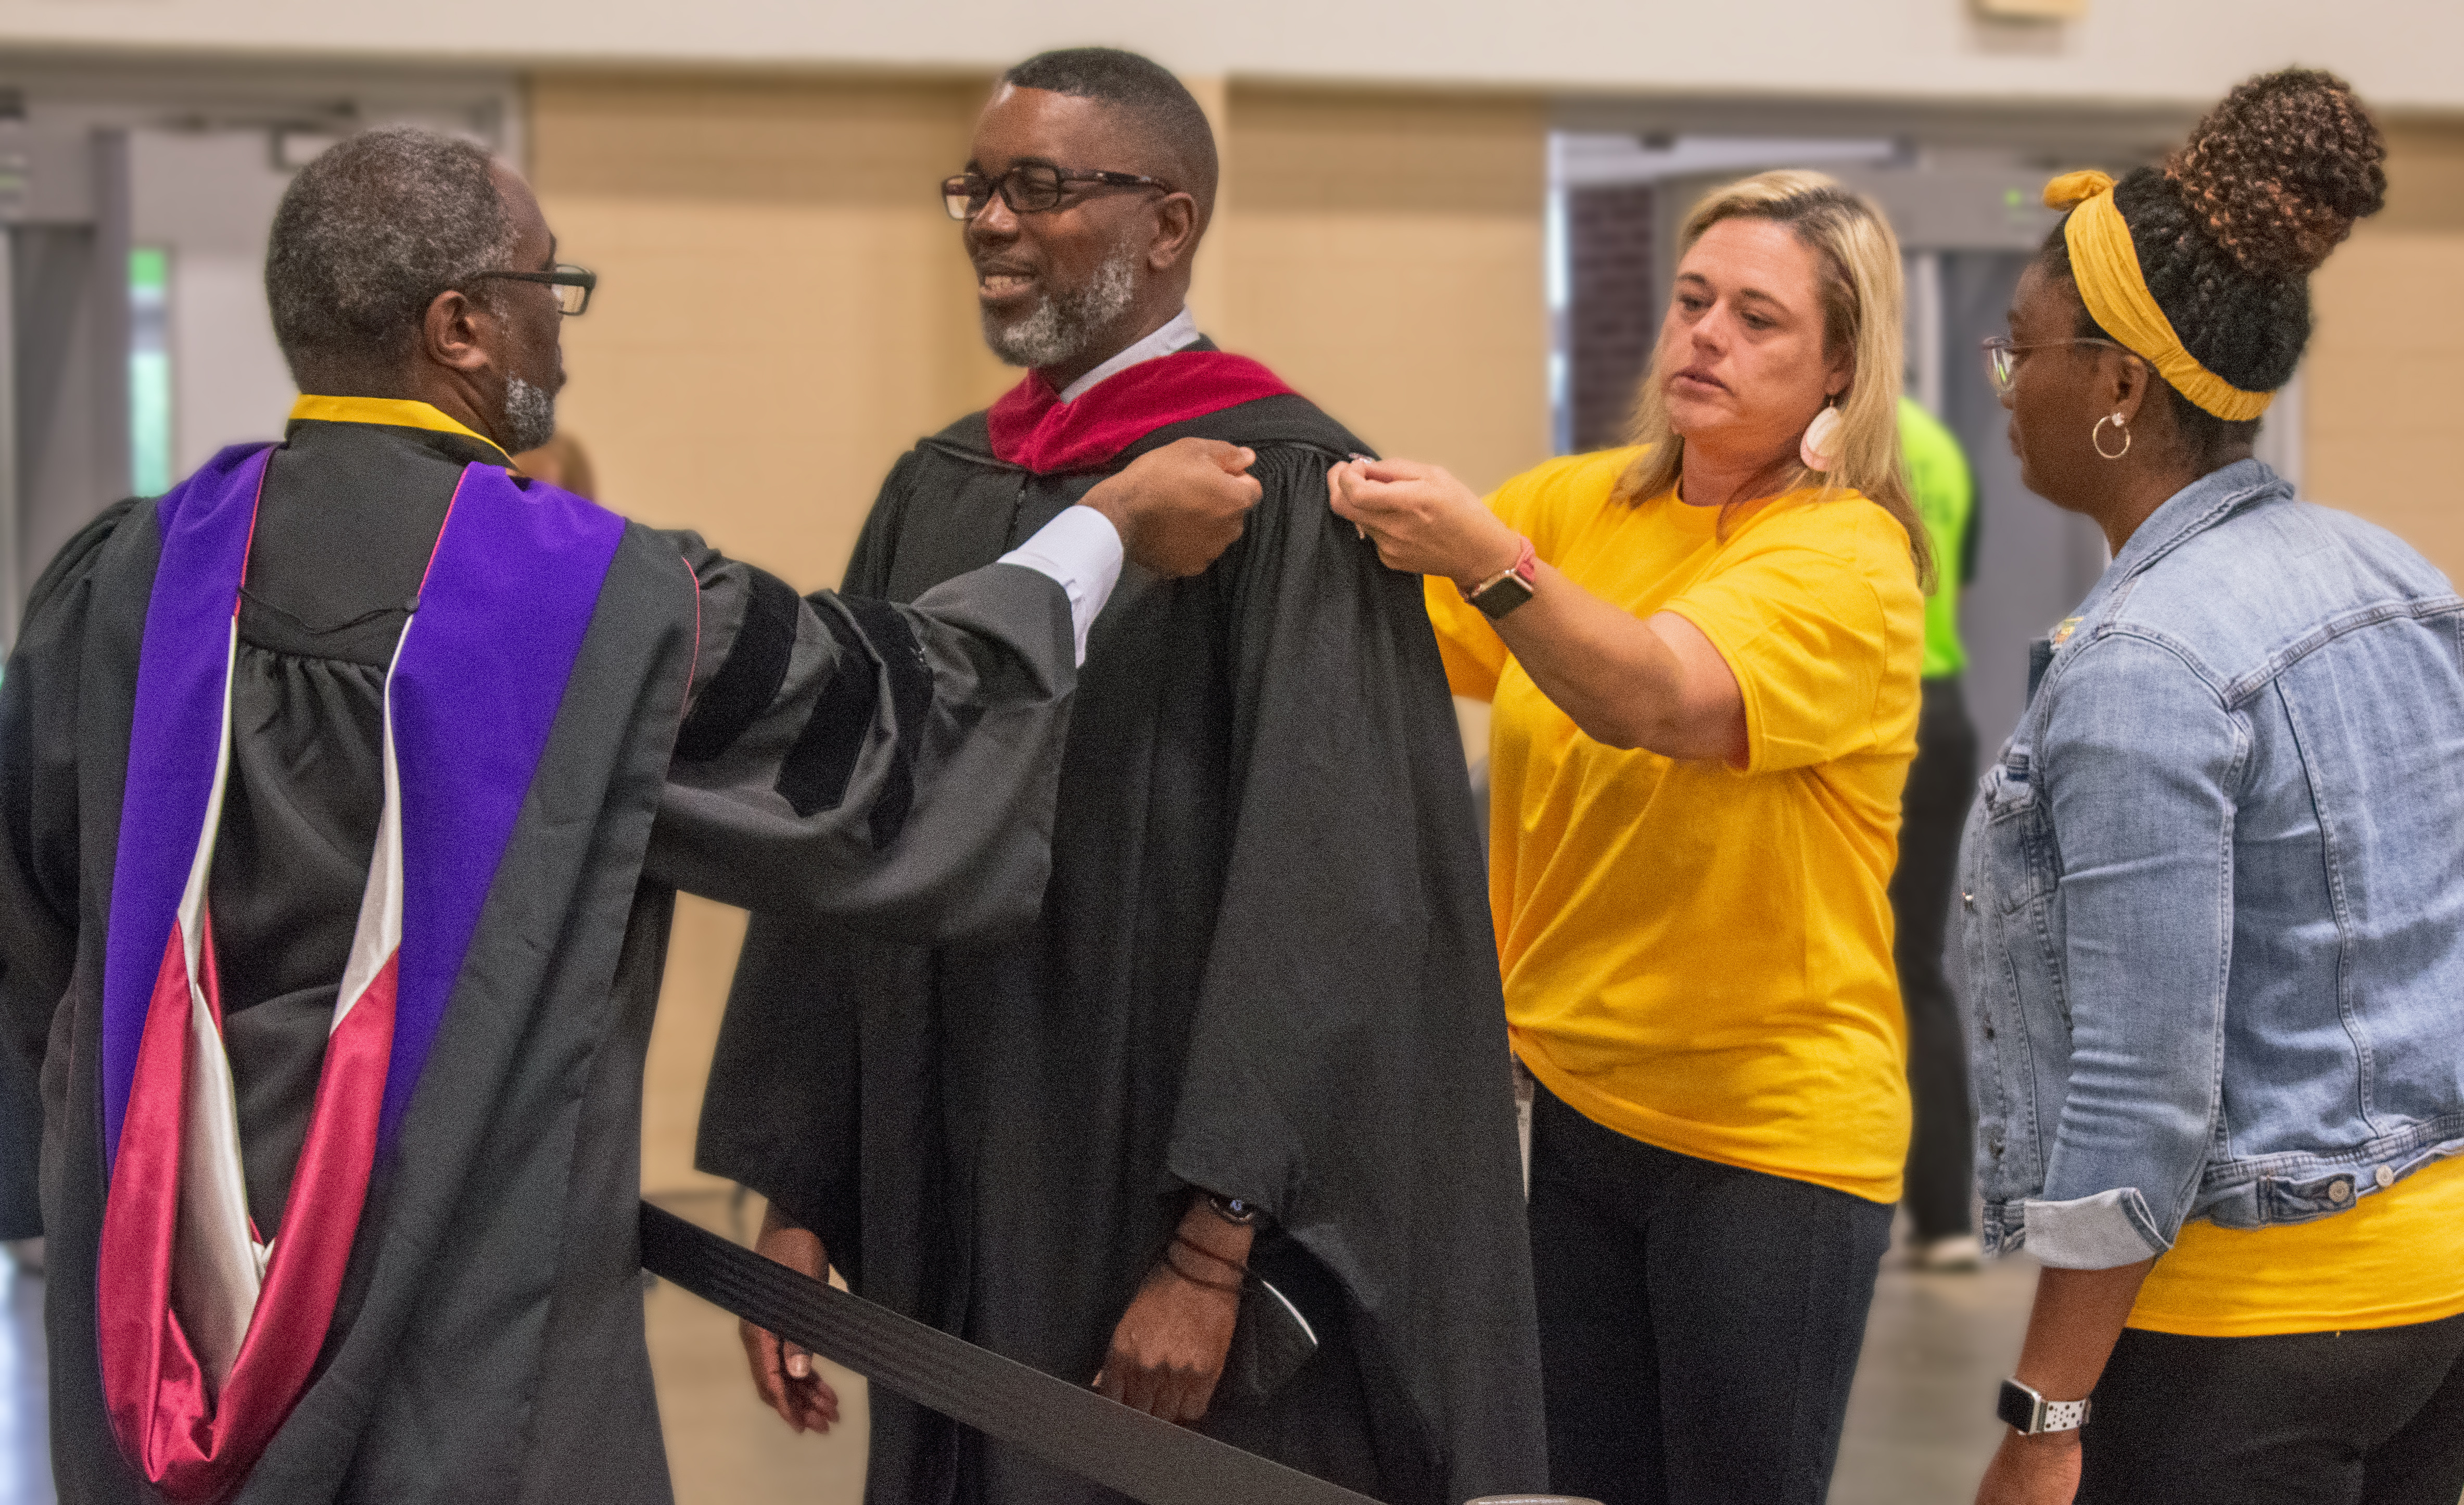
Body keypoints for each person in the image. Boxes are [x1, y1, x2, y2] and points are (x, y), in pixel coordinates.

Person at [0, 125, 1259, 1505]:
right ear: (460, 326)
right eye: (550, 280)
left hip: (156, 1304)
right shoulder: (594, 605)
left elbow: (39, 920)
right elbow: (903, 716)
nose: (564, 326)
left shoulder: (125, 578)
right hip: (467, 1335)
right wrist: (1106, 530)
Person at [700, 47, 1546, 1505]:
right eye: (977, 186)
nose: (989, 222)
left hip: (1141, 1182)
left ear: (1167, 222)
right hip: (945, 1167)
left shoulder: (1282, 490)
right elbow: (855, 813)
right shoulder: (941, 482)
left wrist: (1213, 1250)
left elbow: (1330, 892)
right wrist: (800, 1193)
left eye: (1040, 187)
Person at [1329, 170, 1927, 1505]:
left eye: (1759, 320)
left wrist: (1484, 553)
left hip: (1768, 1138)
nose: (1706, 335)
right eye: (1693, 300)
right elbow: (1399, 651)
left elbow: (1655, 694)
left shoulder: (1848, 562)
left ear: (1843, 363)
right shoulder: (1581, 506)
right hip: (1580, 1111)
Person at [1964, 70, 2464, 1505]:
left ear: (2117, 383)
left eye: (2022, 353)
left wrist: (2042, 1411)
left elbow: (2142, 1088)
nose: (2009, 389)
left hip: (2249, 1325)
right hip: (2431, 1296)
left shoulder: (2142, 662)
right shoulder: (2393, 573)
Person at [1894, 394, 1982, 1271]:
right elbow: (1960, 577)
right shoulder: (1939, 448)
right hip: (1942, 709)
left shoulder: (1832, 445)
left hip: (1876, 707)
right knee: (1914, 966)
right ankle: (1945, 1214)